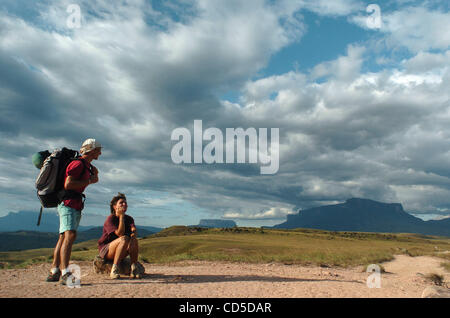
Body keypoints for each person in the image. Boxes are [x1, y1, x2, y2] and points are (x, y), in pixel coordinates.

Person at [46, 138, 102, 284]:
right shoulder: (78, 164)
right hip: (69, 203)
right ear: (92, 150)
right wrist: (91, 180)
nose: (100, 153)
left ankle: (54, 271)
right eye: (99, 149)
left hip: (72, 204)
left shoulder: (85, 165)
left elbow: (76, 184)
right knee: (70, 236)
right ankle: (65, 273)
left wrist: (92, 177)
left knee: (63, 237)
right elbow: (69, 184)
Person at [97, 192, 142, 279]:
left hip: (122, 248)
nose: (124, 204)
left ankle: (134, 268)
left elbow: (134, 231)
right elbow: (120, 234)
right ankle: (114, 269)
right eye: (121, 202)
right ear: (115, 206)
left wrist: (133, 234)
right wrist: (121, 217)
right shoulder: (111, 219)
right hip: (106, 249)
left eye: (125, 203)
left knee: (133, 240)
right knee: (124, 238)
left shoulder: (129, 219)